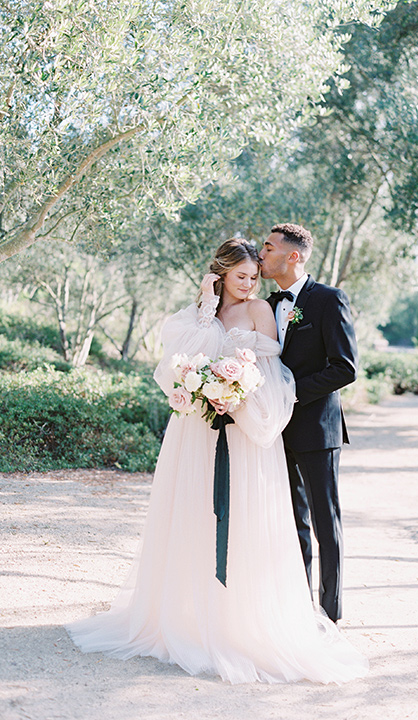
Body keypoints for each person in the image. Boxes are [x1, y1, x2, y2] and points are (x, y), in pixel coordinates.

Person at [66, 238, 367, 684]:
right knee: (195, 517)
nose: (250, 281)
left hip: (258, 428)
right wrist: (200, 381)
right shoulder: (203, 310)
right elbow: (179, 361)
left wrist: (236, 396)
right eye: (241, 276)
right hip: (197, 430)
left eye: (254, 273)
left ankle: (317, 615)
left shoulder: (281, 306)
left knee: (302, 522)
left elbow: (277, 373)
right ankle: (190, 617)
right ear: (220, 275)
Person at [259, 223, 358, 624]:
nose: (261, 254)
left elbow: (345, 368)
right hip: (273, 431)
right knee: (291, 521)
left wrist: (290, 391)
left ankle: (330, 614)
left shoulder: (329, 300)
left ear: (292, 256)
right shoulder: (266, 304)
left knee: (324, 522)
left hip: (318, 430)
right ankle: (300, 611)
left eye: (268, 248)